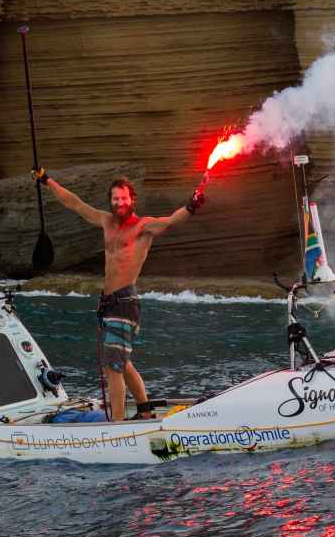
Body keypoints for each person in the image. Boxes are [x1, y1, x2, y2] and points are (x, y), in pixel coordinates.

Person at [32, 168, 206, 421]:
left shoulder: (143, 226)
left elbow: (170, 220)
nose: (120, 203)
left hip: (125, 303)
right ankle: (145, 411)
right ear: (111, 201)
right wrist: (47, 180)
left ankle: (117, 424)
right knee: (122, 363)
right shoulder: (106, 221)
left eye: (124, 198)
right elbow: (75, 203)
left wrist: (191, 206)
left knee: (112, 367)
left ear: (131, 200)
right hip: (109, 304)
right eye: (115, 199)